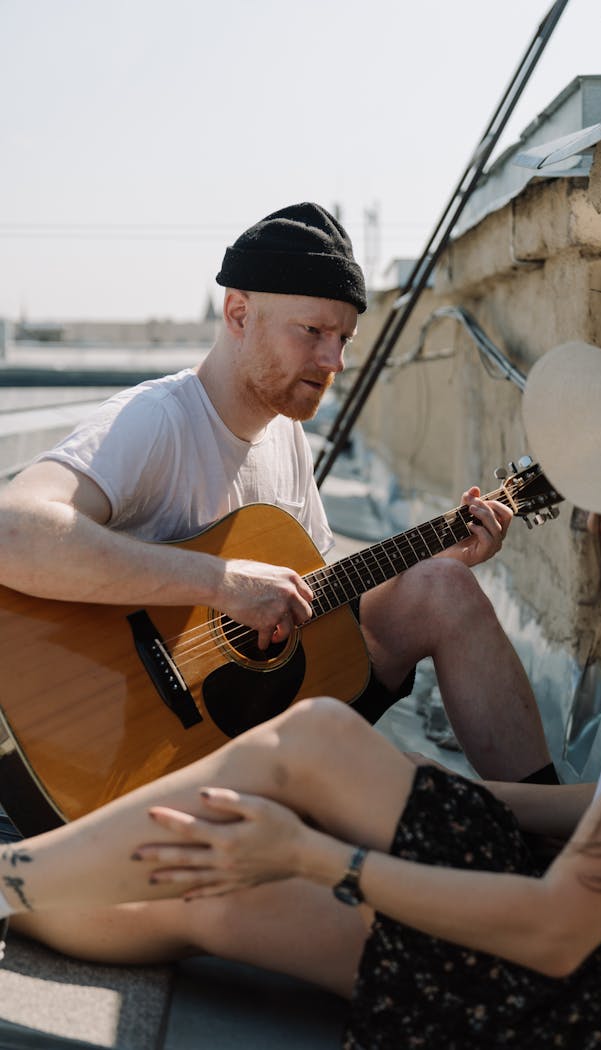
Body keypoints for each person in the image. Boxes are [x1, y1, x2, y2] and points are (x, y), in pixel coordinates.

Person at [2, 331, 601, 1048]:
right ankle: (13, 875)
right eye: (315, 331)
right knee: (319, 739)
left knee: (225, 896)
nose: (596, 518)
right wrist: (426, 790)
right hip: (589, 906)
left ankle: (8, 883)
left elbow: (555, 933)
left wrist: (319, 855)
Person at [0, 202, 553, 960]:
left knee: (443, 591)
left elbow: (321, 610)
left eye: (345, 339)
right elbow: (14, 532)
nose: (335, 361)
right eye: (313, 333)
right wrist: (219, 582)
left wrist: (436, 557)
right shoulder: (153, 422)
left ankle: (555, 843)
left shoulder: (286, 438)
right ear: (237, 313)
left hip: (253, 721)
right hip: (123, 751)